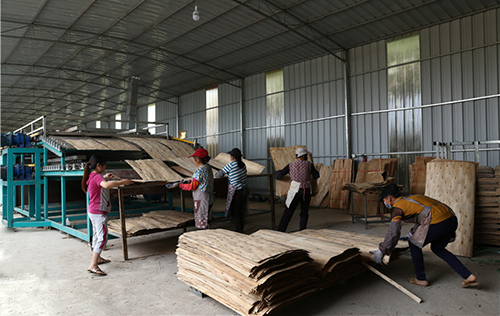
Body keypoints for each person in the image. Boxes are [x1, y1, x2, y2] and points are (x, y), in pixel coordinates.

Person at [373, 183, 479, 288]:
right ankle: (468, 276)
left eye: (384, 200)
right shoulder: (412, 198)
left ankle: (420, 279)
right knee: (438, 248)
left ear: (389, 198)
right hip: (451, 220)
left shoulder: (397, 208)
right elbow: (423, 216)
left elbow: (394, 232)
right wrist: (411, 233)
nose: (384, 202)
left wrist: (382, 250)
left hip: (438, 223)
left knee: (414, 245)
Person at [81, 154, 133, 276]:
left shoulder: (92, 176)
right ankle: (93, 265)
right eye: (104, 166)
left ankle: (97, 258)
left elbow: (99, 183)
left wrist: (104, 177)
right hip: (98, 213)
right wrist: (123, 181)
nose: (105, 168)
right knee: (102, 237)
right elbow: (106, 185)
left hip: (93, 211)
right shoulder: (97, 177)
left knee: (96, 235)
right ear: (99, 165)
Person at [274, 147, 319, 232]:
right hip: (306, 190)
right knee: (304, 212)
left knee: (288, 211)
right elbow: (317, 175)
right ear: (304, 156)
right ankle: (303, 231)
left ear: (297, 156)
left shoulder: (291, 165)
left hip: (295, 191)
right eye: (306, 156)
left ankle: (281, 230)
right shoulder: (309, 165)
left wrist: (276, 174)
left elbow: (280, 175)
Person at [171, 148, 214, 229]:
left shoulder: (199, 171)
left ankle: (203, 237)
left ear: (197, 160)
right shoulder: (208, 167)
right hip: (209, 198)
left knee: (202, 220)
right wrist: (189, 181)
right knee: (207, 219)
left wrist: (181, 185)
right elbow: (201, 180)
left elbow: (192, 186)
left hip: (202, 199)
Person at [215, 148, 248, 233]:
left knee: (235, 212)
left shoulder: (231, 165)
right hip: (244, 191)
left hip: (235, 192)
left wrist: (217, 173)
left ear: (232, 157)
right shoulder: (243, 165)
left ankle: (238, 231)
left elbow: (219, 174)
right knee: (241, 211)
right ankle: (241, 229)